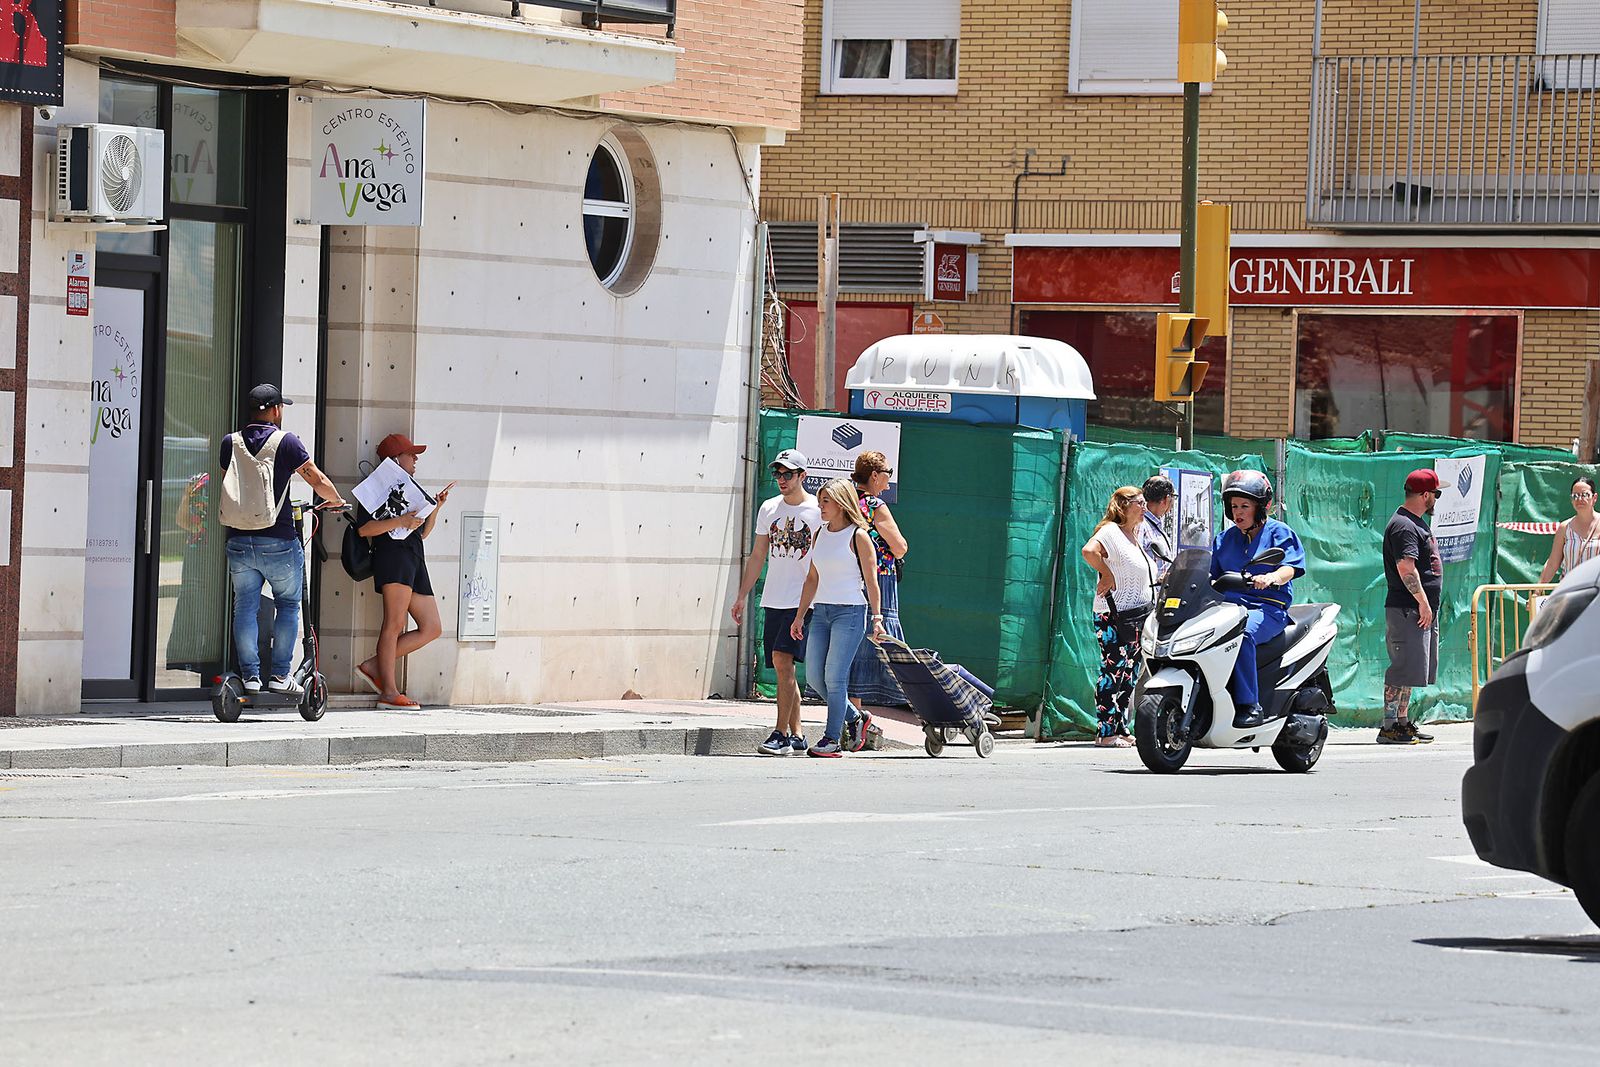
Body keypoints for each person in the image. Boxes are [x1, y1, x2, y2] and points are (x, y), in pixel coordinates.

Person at [220, 384, 346, 694]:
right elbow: (315, 477)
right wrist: (336, 500)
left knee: (245, 608)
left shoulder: (230, 442)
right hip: (278, 539)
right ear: (276, 410)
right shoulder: (286, 442)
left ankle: (249, 676)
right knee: (288, 605)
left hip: (238, 539)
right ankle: (279, 676)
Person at [731, 448, 821, 755]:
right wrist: (743, 594)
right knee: (785, 669)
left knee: (783, 662)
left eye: (788, 474)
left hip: (803, 600)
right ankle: (798, 733)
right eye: (778, 474)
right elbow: (758, 555)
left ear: (802, 476)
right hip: (774, 598)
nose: (781, 479)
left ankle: (780, 734)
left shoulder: (817, 511)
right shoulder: (769, 508)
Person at [790, 479, 888, 757]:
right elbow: (812, 577)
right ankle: (856, 718)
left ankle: (831, 740)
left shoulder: (859, 536)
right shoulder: (820, 533)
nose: (820, 506)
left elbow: (872, 581)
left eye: (825, 502)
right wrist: (800, 617)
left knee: (835, 678)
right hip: (821, 612)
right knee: (814, 678)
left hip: (851, 612)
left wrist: (877, 618)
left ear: (842, 504)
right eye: (820, 501)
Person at [354, 434, 451, 711]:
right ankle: (389, 691)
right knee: (393, 624)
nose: (416, 459)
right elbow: (364, 529)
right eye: (411, 454)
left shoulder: (410, 487)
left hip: (413, 558)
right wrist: (401, 520)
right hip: (392, 558)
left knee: (432, 628)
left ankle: (374, 665)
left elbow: (423, 533)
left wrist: (436, 508)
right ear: (396, 459)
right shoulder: (375, 488)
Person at [1210, 470, 1306, 730]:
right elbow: (1208, 573)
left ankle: (1249, 705)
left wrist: (1273, 577)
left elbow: (1291, 567)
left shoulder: (1279, 533)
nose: (1238, 512)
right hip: (1226, 609)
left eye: (1244, 506)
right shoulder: (1224, 538)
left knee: (1240, 635)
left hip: (1267, 608)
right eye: (1234, 506)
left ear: (1261, 507)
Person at [1080, 486, 1156, 746]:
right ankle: (1105, 732)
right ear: (1124, 505)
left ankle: (1120, 726)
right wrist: (1107, 573)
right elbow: (1089, 551)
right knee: (1112, 671)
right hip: (1114, 615)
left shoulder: (1135, 535)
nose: (1144, 507)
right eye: (1140, 502)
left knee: (1130, 674)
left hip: (1138, 616)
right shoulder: (1111, 531)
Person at [1379, 469, 1443, 745]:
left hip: (1417, 608)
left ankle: (1402, 723)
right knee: (1402, 667)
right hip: (1408, 608)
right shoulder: (1404, 525)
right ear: (1426, 495)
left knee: (1412, 670)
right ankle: (1389, 726)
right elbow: (1406, 567)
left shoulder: (1414, 522)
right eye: (1436, 495)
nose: (1436, 500)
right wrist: (1423, 604)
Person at [847, 450, 910, 726]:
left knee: (854, 645)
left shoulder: (845, 502)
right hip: (879, 579)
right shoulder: (875, 505)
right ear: (874, 475)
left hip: (847, 578)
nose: (888, 479)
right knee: (878, 641)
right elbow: (899, 547)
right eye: (887, 474)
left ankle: (852, 718)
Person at [1538, 475, 1600, 584]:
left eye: (1585, 495)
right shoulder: (1564, 528)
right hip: (1569, 592)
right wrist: (1536, 592)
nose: (1579, 499)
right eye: (1575, 496)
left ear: (1594, 498)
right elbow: (1552, 564)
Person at [1140, 474, 1176, 582]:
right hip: (1147, 593)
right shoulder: (1141, 525)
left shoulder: (1155, 525)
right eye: (1173, 497)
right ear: (1166, 498)